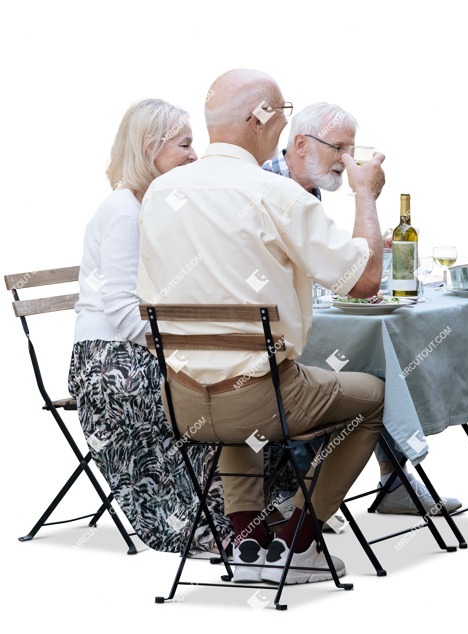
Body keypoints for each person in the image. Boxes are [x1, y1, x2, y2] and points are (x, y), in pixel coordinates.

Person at [136, 69, 386, 585]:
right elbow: (363, 281)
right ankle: (298, 538)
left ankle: (247, 535)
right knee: (373, 397)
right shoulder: (277, 194)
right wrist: (366, 194)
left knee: (233, 369)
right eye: (281, 110)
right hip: (259, 399)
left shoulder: (161, 193)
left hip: (180, 399)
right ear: (261, 118)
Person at [262, 101, 461, 517]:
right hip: (266, 357)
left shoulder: (305, 188)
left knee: (383, 358)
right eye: (339, 148)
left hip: (281, 340)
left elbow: (320, 260)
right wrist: (364, 198)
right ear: (300, 144)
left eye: (352, 149)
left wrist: (362, 250)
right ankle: (301, 498)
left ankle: (392, 482)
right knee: (372, 371)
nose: (348, 160)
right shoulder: (266, 187)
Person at [68, 98, 232, 555]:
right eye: (184, 144)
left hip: (131, 353)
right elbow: (122, 313)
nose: (194, 155)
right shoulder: (123, 210)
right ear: (150, 147)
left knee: (230, 389)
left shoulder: (150, 206)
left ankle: (237, 511)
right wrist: (185, 350)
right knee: (215, 394)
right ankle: (200, 520)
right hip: (109, 364)